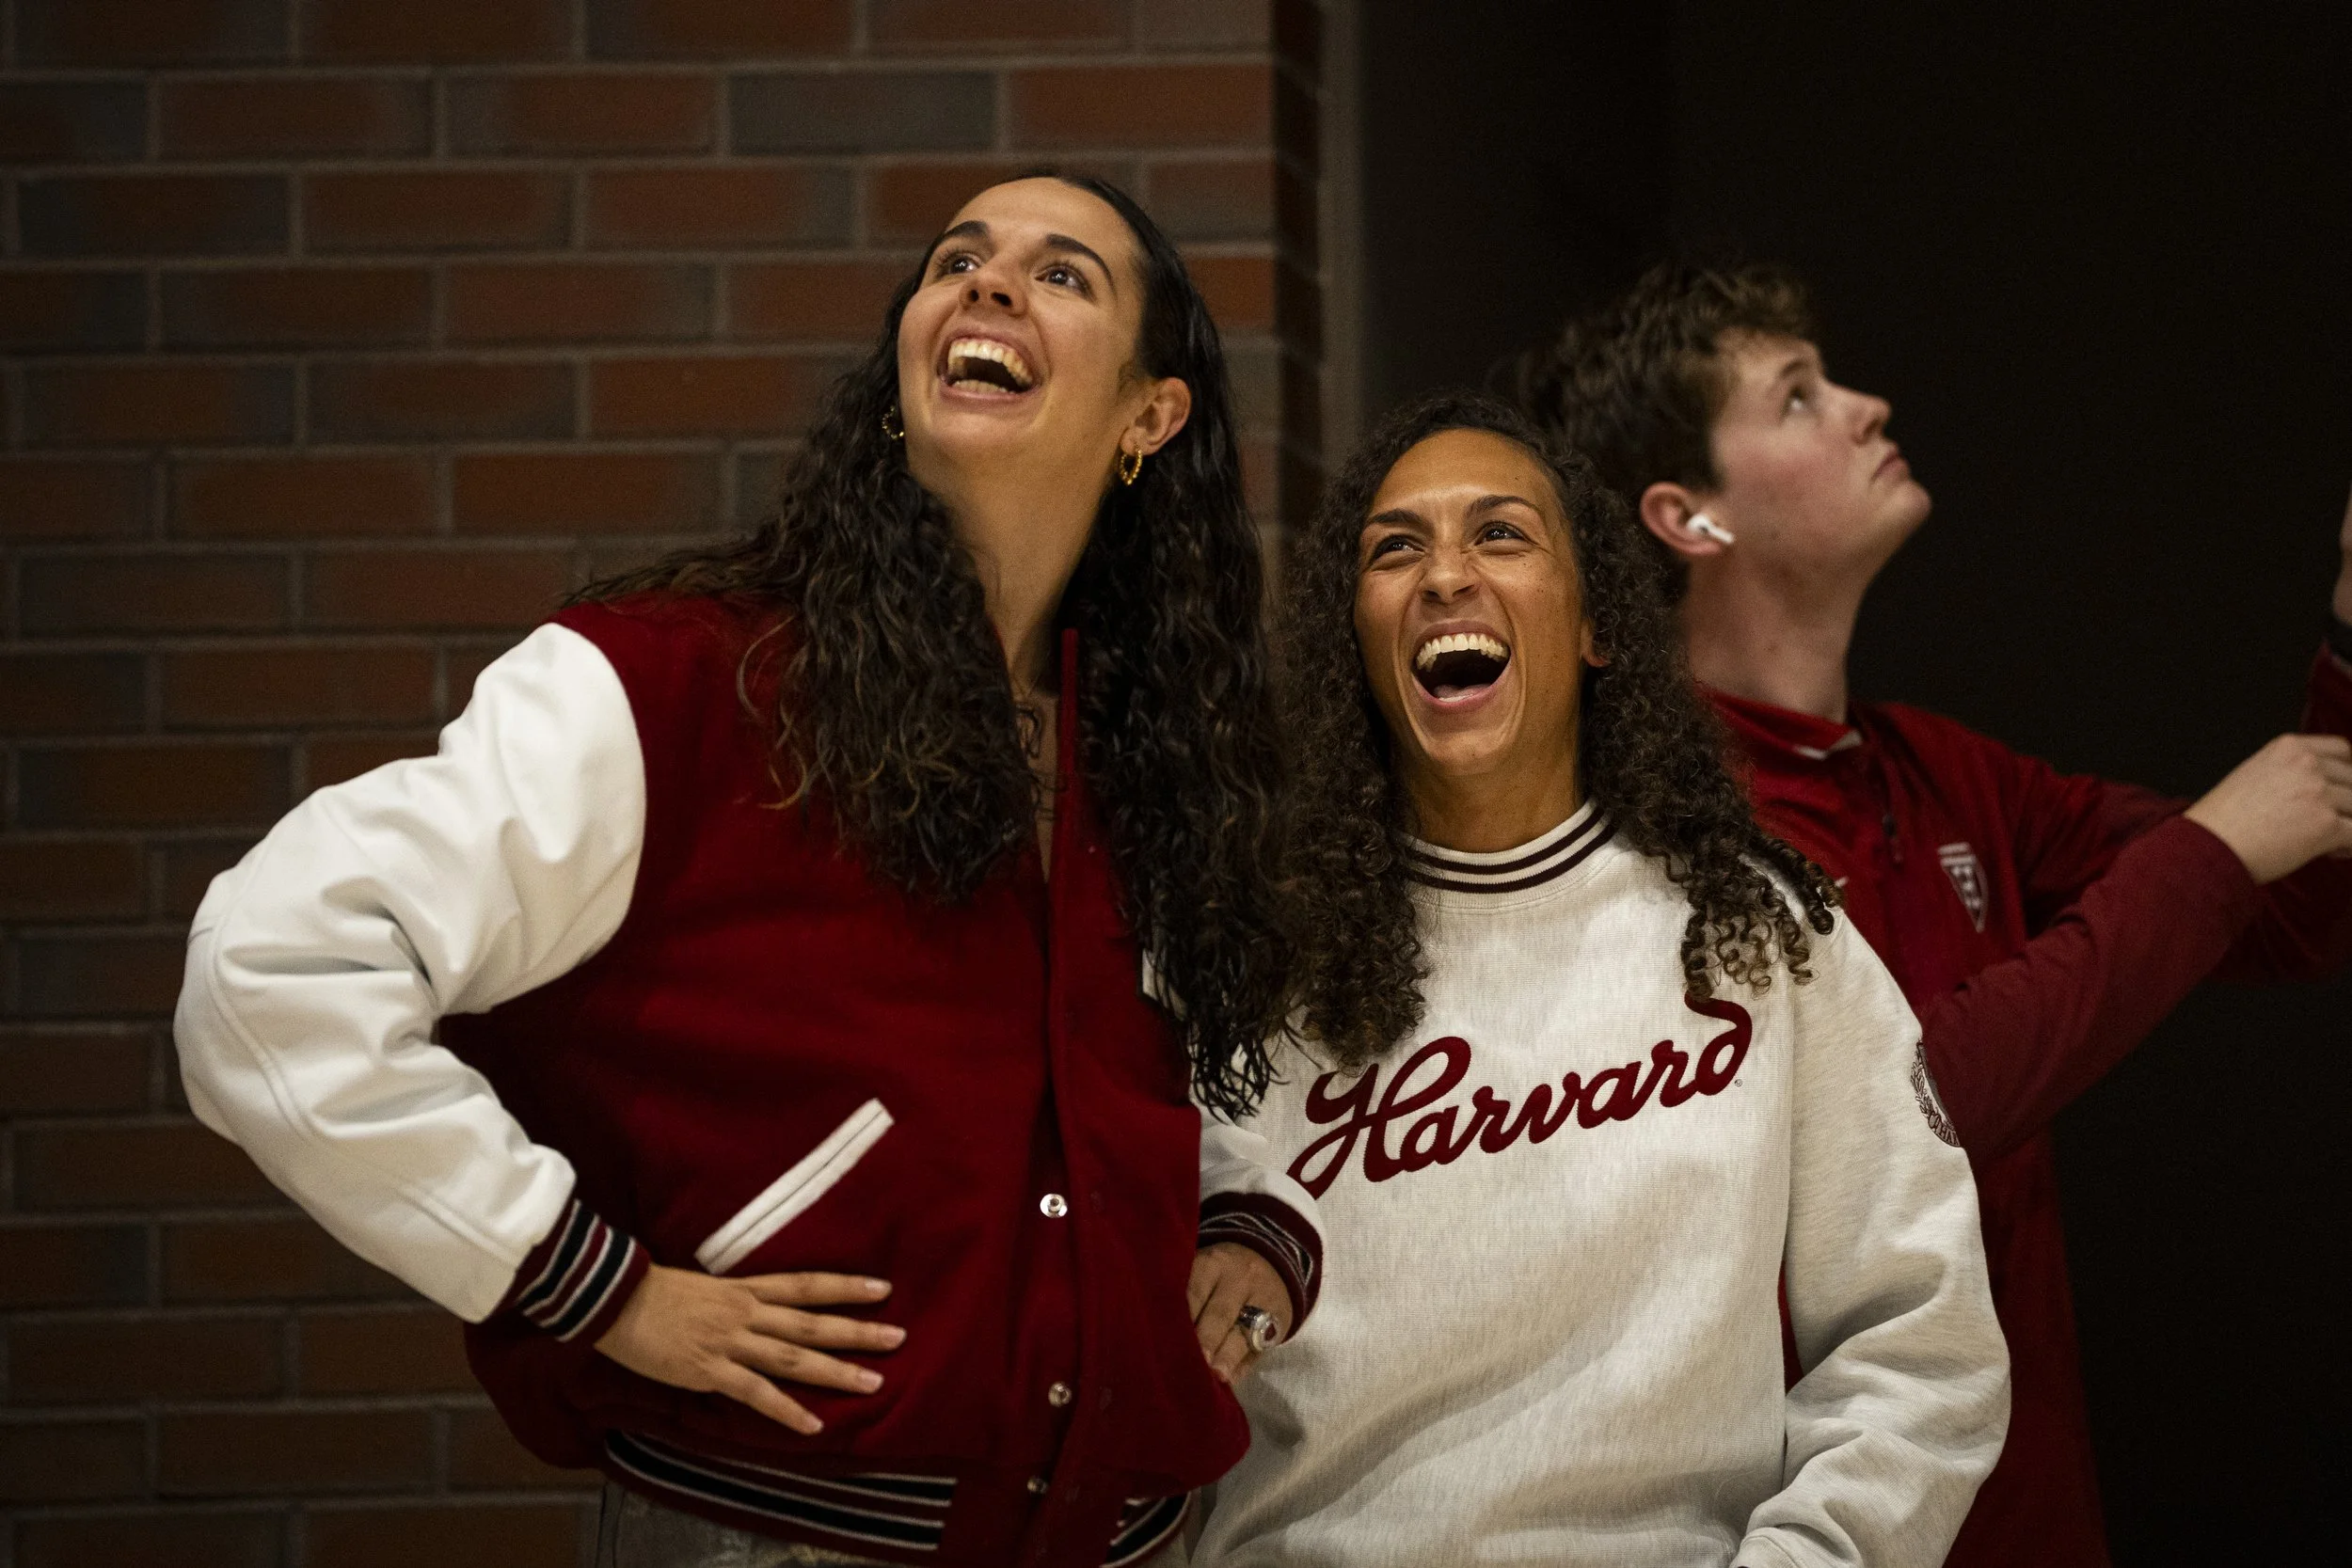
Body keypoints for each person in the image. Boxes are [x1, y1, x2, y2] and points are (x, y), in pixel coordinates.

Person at [173, 174, 1325, 1568]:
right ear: (903, 370)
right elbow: (269, 970)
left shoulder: (1157, 749)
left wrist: (1253, 1221)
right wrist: (594, 1283)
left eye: (1063, 273)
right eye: (956, 258)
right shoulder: (676, 683)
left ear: (1153, 415)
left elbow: (1225, 1053)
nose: (988, 282)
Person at [1516, 260, 2352, 1566]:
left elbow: (2297, 910)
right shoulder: (1654, 828)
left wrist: (2350, 634)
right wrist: (2207, 847)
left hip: (2028, 1515)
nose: (1863, 404)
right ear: (1689, 517)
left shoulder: (1939, 771)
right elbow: (1907, 1110)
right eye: (1797, 397)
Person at [1187, 392, 2009, 1568]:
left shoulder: (1761, 933)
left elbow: (1919, 1338)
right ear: (1352, 637)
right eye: (1395, 547)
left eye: (1501, 534)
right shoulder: (1242, 955)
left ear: (1595, 624)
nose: (1444, 576)